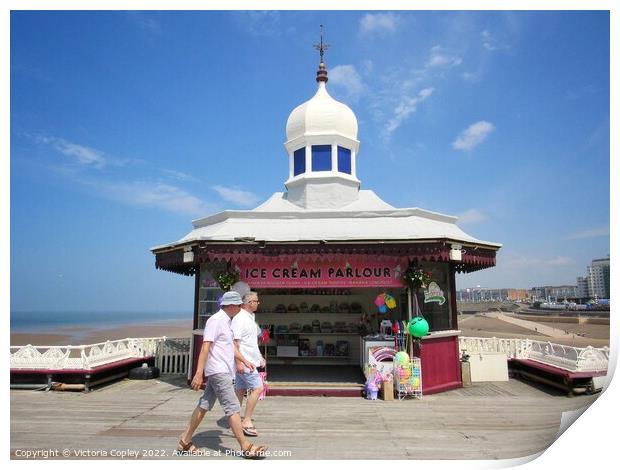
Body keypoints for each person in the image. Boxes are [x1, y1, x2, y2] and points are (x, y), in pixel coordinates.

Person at [177, 290, 267, 459]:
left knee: (204, 405)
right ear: (232, 306)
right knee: (233, 408)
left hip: (222, 370)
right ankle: (245, 446)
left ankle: (185, 441)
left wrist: (244, 360)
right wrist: (198, 373)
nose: (241, 308)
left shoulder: (227, 321)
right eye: (239, 306)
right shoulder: (216, 321)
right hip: (219, 371)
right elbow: (205, 347)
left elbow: (230, 347)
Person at [231, 291, 265, 437]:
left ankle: (235, 419)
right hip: (245, 363)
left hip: (250, 360)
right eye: (256, 301)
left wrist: (260, 357)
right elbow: (235, 343)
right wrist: (238, 363)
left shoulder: (251, 317)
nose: (258, 303)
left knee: (240, 390)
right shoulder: (239, 318)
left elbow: (251, 343)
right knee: (258, 388)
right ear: (249, 302)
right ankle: (246, 421)